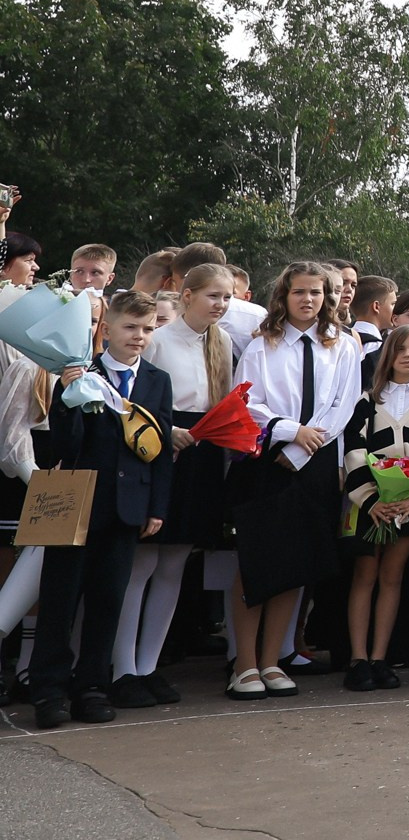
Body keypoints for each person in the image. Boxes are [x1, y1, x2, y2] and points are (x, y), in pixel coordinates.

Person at [28, 291, 173, 728]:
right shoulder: (78, 375)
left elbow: (160, 449)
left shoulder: (156, 379)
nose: (140, 337)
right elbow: (61, 446)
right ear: (105, 329)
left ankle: (92, 685)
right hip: (77, 501)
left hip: (128, 508)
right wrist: (71, 398)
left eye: (147, 329)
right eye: (130, 327)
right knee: (61, 599)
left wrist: (157, 506)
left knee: (108, 600)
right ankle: (48, 690)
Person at [228, 263, 360, 701]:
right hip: (266, 458)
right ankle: (244, 664)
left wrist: (306, 445)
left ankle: (272, 660)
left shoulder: (341, 345)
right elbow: (247, 401)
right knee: (258, 561)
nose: (308, 300)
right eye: (300, 292)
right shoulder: (262, 345)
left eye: (317, 293)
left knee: (296, 564)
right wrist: (288, 431)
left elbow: (343, 405)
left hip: (316, 459)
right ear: (284, 296)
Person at [111, 261, 240, 709]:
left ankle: (148, 667)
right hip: (158, 448)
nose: (221, 305)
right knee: (141, 565)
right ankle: (122, 668)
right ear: (187, 296)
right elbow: (134, 398)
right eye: (212, 296)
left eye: (226, 298)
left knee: (174, 565)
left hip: (201, 451)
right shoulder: (159, 341)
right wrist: (166, 434)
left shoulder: (221, 342)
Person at [339, 323, 409, 691]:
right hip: (369, 504)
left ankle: (381, 657)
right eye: (401, 349)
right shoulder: (368, 400)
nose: (408, 356)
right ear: (388, 354)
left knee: (392, 577)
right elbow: (354, 451)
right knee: (364, 576)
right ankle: (358, 658)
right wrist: (371, 499)